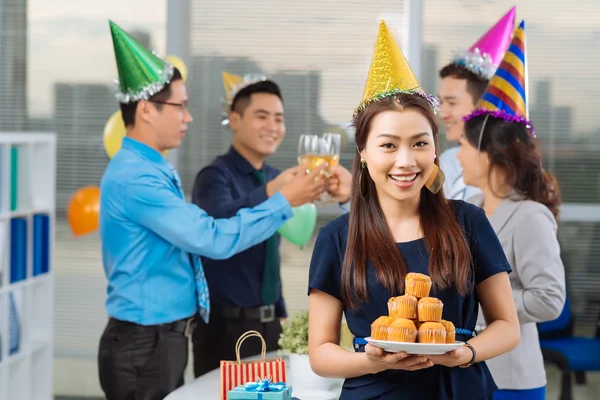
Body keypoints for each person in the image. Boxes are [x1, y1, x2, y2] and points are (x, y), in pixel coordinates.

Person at [97, 22, 328, 400]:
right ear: (146, 110)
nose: (188, 118)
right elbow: (211, 237)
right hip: (145, 342)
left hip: (160, 339)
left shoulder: (151, 168)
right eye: (180, 107)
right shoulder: (137, 178)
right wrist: (284, 201)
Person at [307, 21, 520, 399]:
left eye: (419, 143)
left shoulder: (468, 222)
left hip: (458, 389)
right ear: (363, 153)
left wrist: (465, 353)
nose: (406, 161)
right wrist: (374, 360)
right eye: (388, 145)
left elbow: (507, 325)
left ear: (434, 149)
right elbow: (321, 353)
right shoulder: (337, 237)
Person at [190, 75, 349, 377]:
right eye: (261, 116)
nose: (273, 127)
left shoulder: (278, 176)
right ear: (234, 120)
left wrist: (281, 315)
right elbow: (217, 228)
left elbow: (274, 252)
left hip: (272, 323)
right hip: (224, 327)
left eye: (279, 118)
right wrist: (272, 193)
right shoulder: (214, 176)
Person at [458, 21, 566, 400]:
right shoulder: (469, 210)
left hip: (511, 379)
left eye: (464, 147)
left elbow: (550, 299)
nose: (458, 156)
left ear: (490, 156)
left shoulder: (529, 216)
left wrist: (482, 302)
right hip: (466, 370)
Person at [438, 6, 516, 201]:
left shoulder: (516, 169)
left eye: (452, 103)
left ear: (483, 106)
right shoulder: (448, 161)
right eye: (441, 102)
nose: (443, 113)